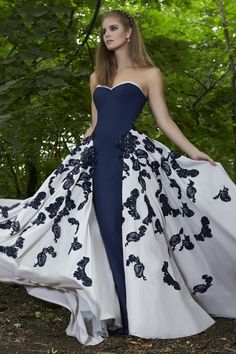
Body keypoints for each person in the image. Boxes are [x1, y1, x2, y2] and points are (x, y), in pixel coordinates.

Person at [0, 8, 236, 347]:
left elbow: (164, 121)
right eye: (104, 30)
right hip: (95, 161)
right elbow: (95, 124)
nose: (107, 34)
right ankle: (115, 312)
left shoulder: (150, 73)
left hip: (128, 164)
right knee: (99, 233)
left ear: (128, 32)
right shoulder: (97, 77)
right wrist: (81, 144)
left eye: (113, 28)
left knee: (126, 234)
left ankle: (133, 314)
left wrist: (195, 151)